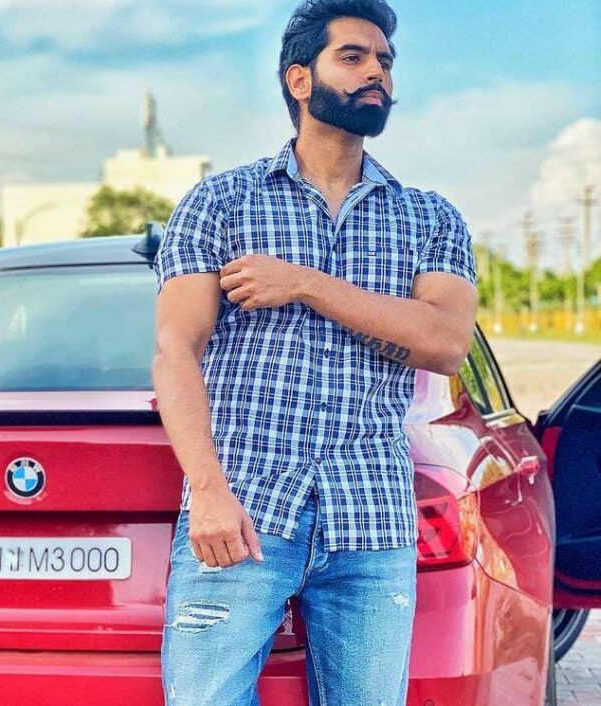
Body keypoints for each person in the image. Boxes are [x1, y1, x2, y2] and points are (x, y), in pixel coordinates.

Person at [151, 0, 478, 704]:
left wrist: (303, 283)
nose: (376, 73)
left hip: (372, 516)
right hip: (243, 508)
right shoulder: (220, 204)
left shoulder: (429, 217)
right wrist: (207, 491)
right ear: (299, 80)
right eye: (353, 57)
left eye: (385, 61)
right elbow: (175, 350)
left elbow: (447, 344)